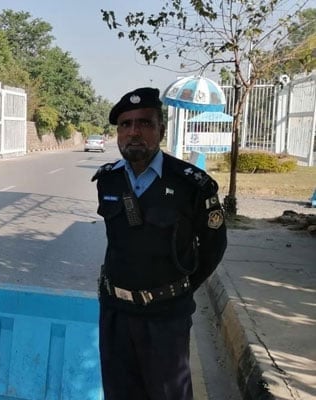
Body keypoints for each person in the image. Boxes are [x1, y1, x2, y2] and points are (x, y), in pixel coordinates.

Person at [92, 87, 227, 399]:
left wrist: (175, 291)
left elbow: (212, 248)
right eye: (125, 125)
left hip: (166, 317)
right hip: (115, 313)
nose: (134, 132)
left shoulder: (190, 184)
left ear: (161, 130)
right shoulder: (108, 180)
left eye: (144, 123)